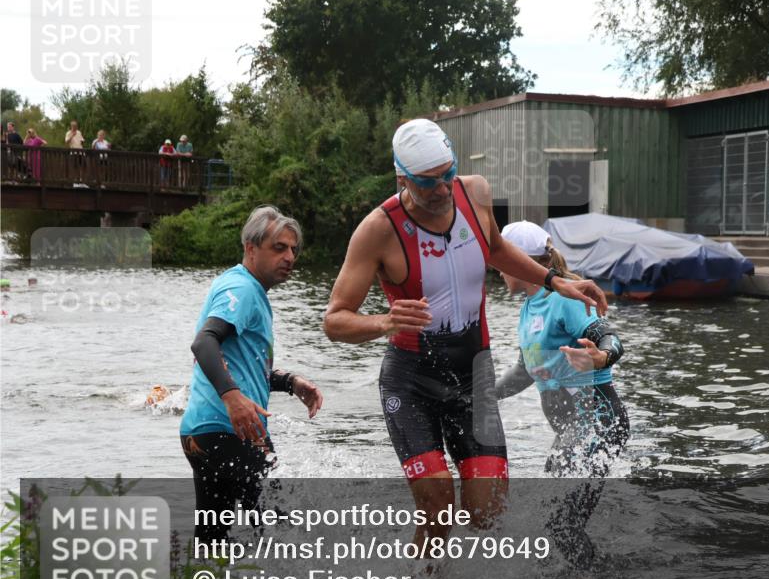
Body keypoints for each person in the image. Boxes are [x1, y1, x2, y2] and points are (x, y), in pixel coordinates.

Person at [323, 118, 607, 550]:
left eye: (448, 175)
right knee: (438, 507)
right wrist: (385, 321)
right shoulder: (378, 230)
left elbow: (493, 247)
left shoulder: (474, 192)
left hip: (473, 371)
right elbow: (335, 320)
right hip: (412, 378)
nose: (442, 189)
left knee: (488, 510)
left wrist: (555, 282)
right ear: (403, 178)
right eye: (428, 182)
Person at [180, 205, 324, 541]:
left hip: (200, 432)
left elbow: (242, 364)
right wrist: (233, 400)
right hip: (231, 430)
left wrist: (289, 383)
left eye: (293, 249)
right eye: (279, 248)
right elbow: (204, 344)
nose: (289, 256)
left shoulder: (240, 285)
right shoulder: (243, 290)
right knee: (280, 535)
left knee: (213, 541)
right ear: (251, 248)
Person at [494, 221, 629, 569]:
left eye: (500, 259)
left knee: (560, 523)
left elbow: (609, 338)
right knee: (553, 519)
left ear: (519, 261)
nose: (496, 268)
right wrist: (480, 396)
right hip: (571, 433)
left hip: (599, 423)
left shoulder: (563, 299)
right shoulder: (530, 307)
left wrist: (602, 356)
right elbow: (525, 371)